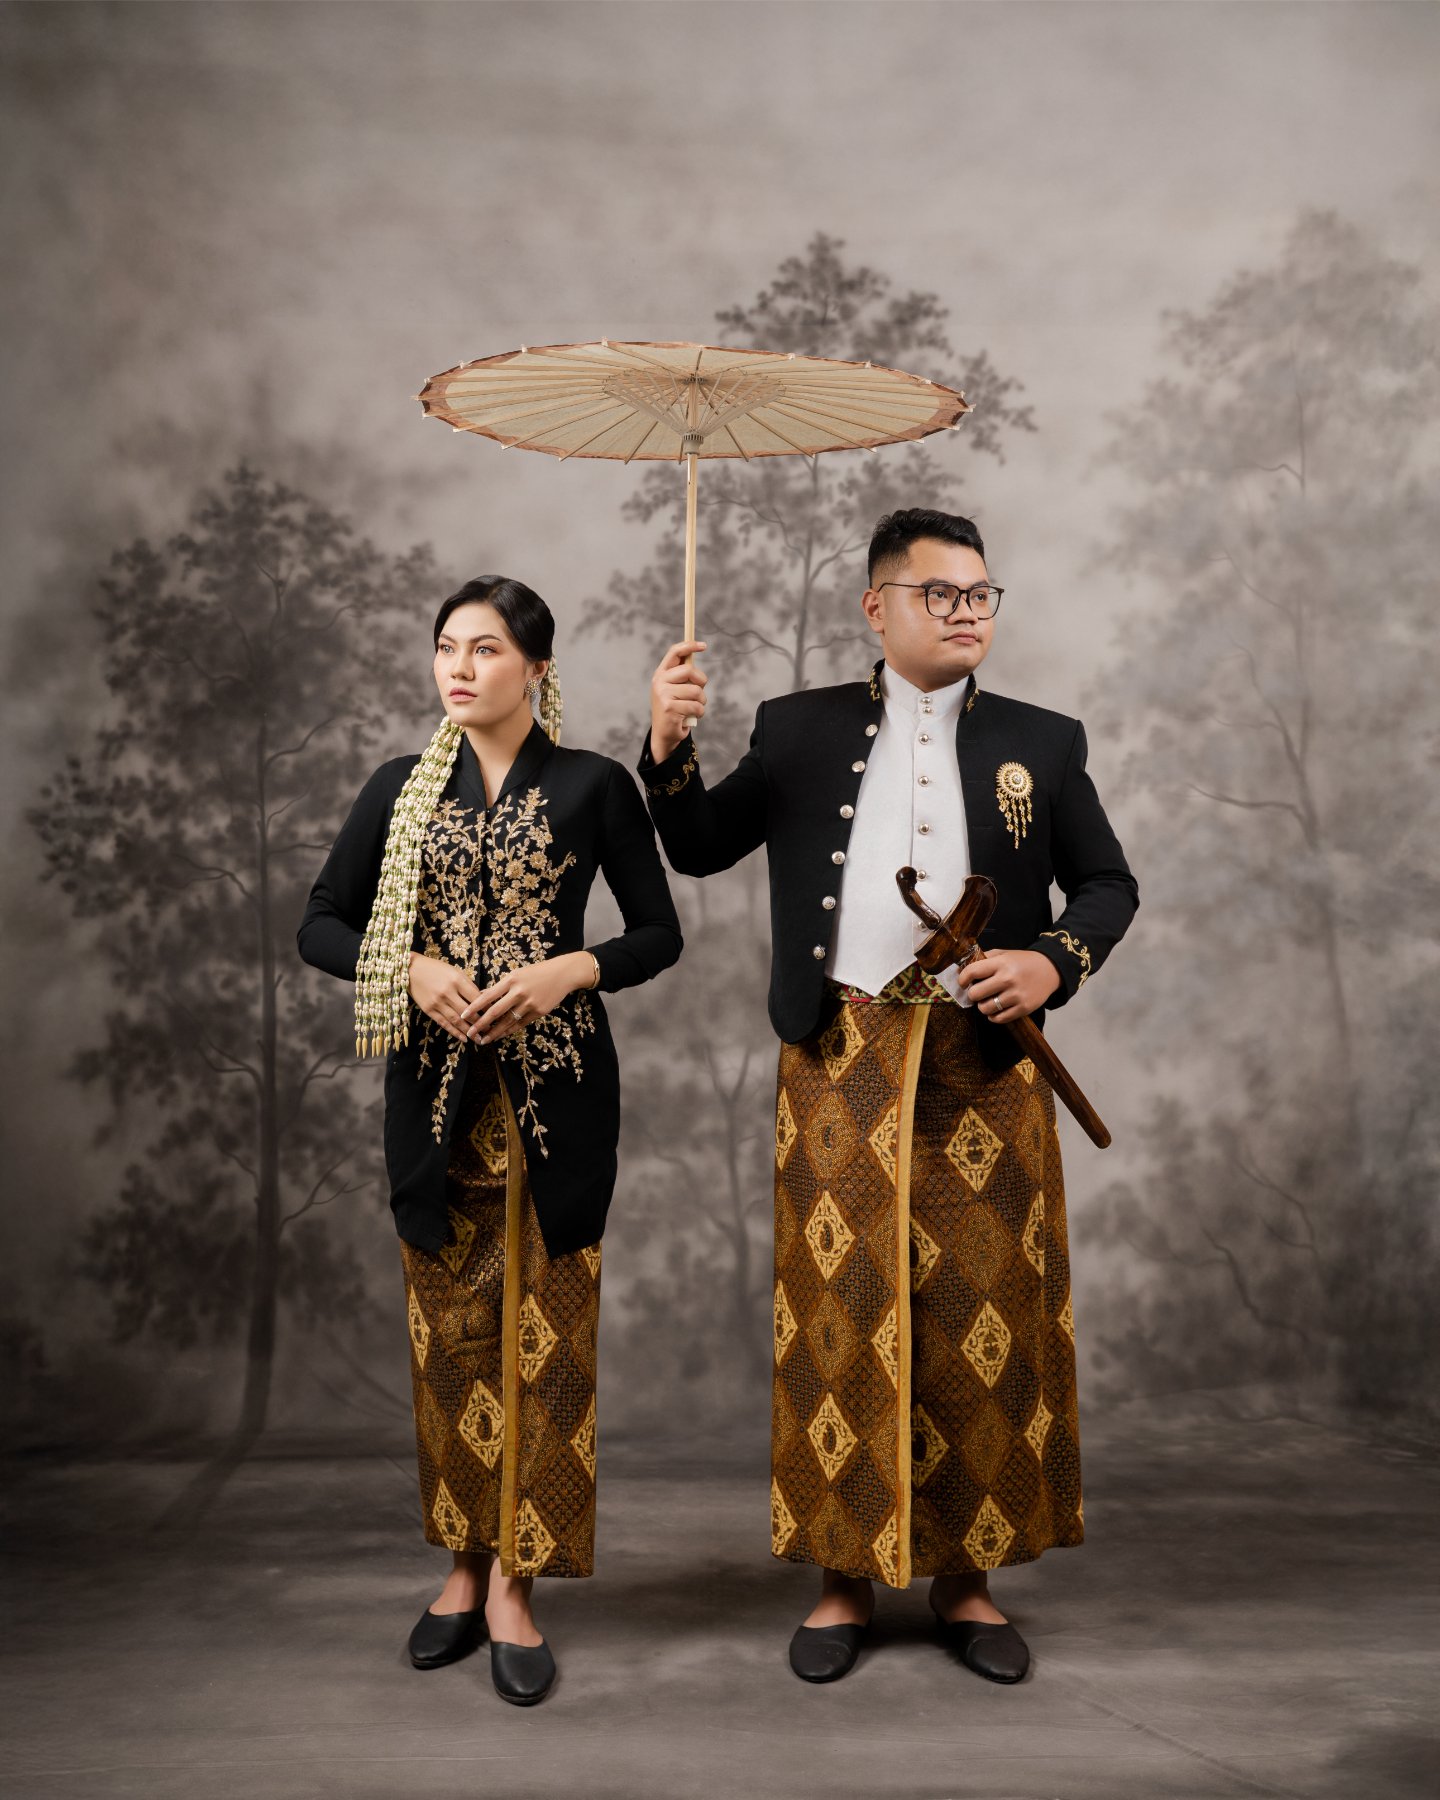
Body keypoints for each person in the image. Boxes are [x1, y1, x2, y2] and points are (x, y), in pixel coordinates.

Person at [637, 508, 1137, 1685]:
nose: (966, 612)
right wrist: (665, 746)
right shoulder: (797, 728)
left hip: (985, 1067)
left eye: (980, 594)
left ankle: (968, 1583)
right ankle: (840, 1581)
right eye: (938, 594)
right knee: (841, 1311)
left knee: (979, 1315)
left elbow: (1108, 884)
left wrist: (1051, 963)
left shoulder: (1042, 741)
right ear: (877, 606)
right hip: (839, 1056)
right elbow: (698, 845)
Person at [298, 576, 681, 1705]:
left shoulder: (594, 784)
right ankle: (463, 1567)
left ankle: (520, 1581)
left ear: (537, 669)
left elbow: (657, 932)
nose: (459, 669)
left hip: (559, 1099)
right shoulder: (399, 788)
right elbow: (321, 922)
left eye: (487, 649)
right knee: (452, 1339)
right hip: (434, 1101)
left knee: (546, 1342)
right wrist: (410, 967)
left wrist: (570, 969)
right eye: (446, 648)